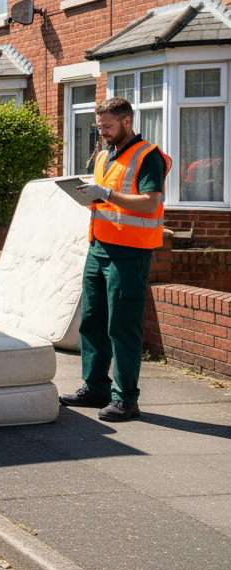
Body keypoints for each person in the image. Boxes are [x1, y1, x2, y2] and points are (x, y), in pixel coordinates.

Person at [62, 97, 169, 422]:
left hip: (129, 254)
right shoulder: (106, 153)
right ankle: (96, 388)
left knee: (122, 326)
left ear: (126, 121)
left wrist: (105, 194)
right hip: (99, 248)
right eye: (99, 126)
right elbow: (107, 200)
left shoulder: (148, 156)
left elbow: (149, 204)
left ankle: (127, 400)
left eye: (107, 126)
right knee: (92, 321)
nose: (103, 132)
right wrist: (90, 196)